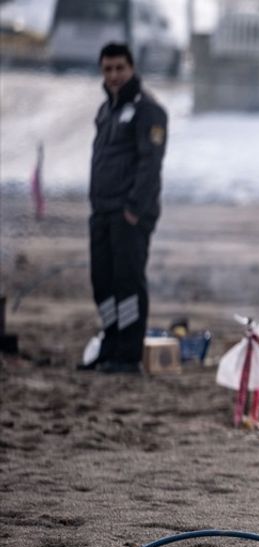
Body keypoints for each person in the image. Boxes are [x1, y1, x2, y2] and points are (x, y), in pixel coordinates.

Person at [85, 42, 167, 374]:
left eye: (120, 68)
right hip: (102, 211)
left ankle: (128, 353)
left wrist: (134, 208)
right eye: (108, 69)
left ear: (131, 68)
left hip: (129, 214)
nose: (114, 75)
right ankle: (110, 343)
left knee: (127, 282)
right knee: (102, 282)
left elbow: (151, 164)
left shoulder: (148, 110)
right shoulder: (107, 111)